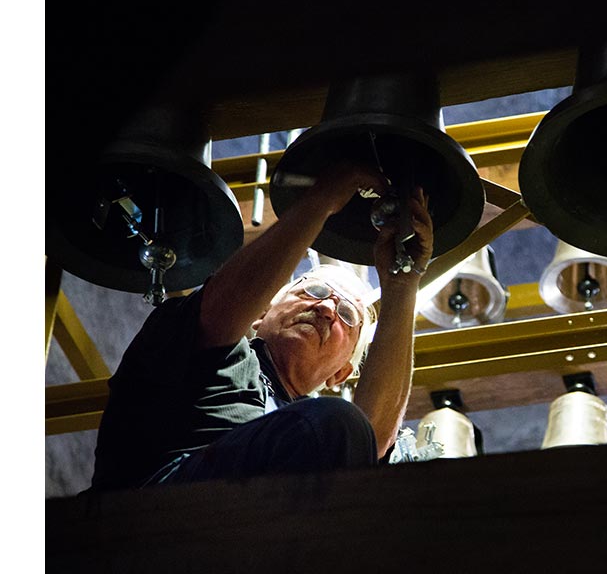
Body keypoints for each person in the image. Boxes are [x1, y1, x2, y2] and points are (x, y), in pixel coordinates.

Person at [88, 161, 433, 491]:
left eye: (347, 315)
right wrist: (322, 199)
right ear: (262, 312)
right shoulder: (219, 349)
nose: (327, 307)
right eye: (313, 290)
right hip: (152, 510)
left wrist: (403, 283)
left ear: (340, 374)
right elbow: (226, 307)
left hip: (255, 538)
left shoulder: (322, 435)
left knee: (344, 438)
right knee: (333, 424)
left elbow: (368, 439)